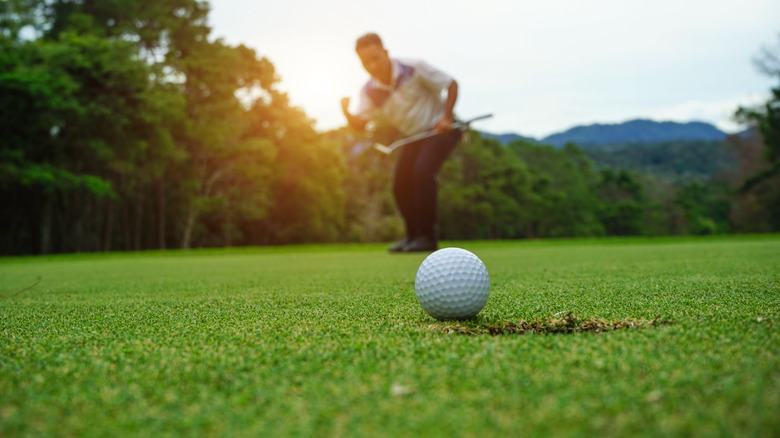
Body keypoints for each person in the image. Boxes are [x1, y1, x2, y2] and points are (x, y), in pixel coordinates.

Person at [341, 33, 460, 253]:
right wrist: (346, 113)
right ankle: (413, 236)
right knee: (400, 185)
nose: (372, 65)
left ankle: (427, 237)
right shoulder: (369, 90)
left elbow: (451, 84)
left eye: (375, 58)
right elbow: (361, 124)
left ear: (386, 53)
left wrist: (446, 117)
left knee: (422, 173)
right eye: (366, 62)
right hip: (413, 138)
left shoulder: (414, 68)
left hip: (439, 129)